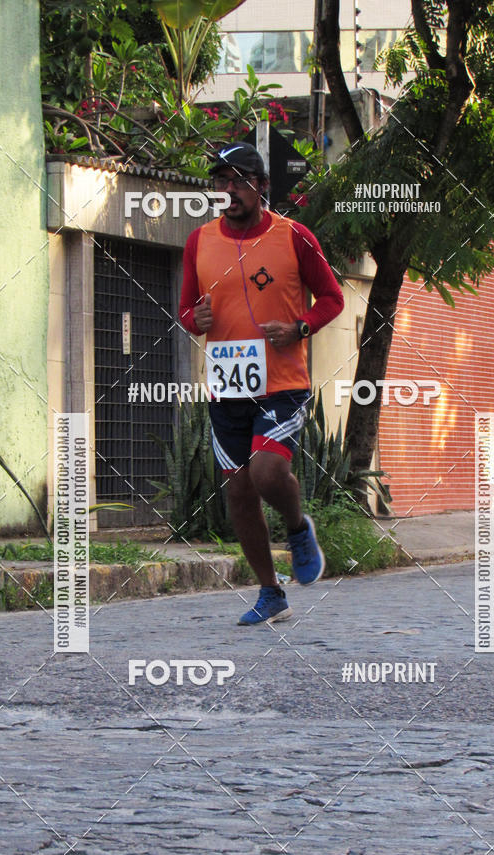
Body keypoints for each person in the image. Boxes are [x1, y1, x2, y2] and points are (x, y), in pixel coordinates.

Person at [179, 142, 344, 625]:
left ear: (262, 185)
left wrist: (300, 328)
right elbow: (186, 310)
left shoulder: (294, 236)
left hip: (283, 382)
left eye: (240, 180)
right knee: (238, 493)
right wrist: (194, 319)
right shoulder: (199, 242)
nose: (229, 190)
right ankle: (271, 593)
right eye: (221, 181)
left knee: (267, 473)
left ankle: (297, 527)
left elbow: (331, 297)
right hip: (227, 386)